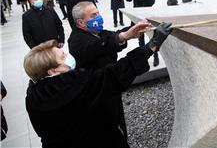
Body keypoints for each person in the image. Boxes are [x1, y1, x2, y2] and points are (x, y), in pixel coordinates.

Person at [24, 21, 172, 148]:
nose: (68, 56)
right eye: (63, 56)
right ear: (52, 71)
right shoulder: (69, 89)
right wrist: (152, 45)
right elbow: (112, 75)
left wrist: (125, 35)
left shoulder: (34, 95)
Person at [126, 0, 159, 66]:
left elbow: (151, 2)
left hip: (149, 18)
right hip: (138, 18)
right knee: (140, 39)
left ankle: (155, 57)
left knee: (152, 39)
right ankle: (143, 58)